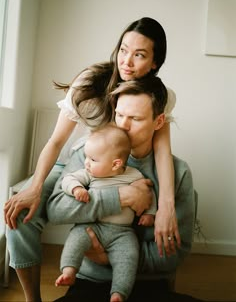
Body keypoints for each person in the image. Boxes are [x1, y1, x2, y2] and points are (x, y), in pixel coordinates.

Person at [4, 17, 179, 302]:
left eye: (140, 54)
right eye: (124, 50)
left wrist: (167, 207)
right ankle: (32, 298)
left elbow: (162, 151)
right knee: (21, 215)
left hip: (132, 168)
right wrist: (35, 187)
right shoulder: (91, 82)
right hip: (81, 164)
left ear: (155, 63)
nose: (127, 61)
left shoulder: (159, 97)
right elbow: (56, 141)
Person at [47, 75, 195, 301]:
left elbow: (173, 254)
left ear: (158, 122)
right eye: (119, 115)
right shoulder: (90, 155)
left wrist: (112, 257)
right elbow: (56, 209)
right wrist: (119, 197)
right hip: (90, 280)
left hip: (149, 284)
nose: (123, 125)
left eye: (135, 118)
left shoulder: (179, 172)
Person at [55, 124, 157, 302]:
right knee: (75, 238)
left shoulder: (135, 175)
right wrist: (76, 188)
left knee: (129, 256)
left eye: (93, 159)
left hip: (123, 232)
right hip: (92, 226)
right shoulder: (90, 174)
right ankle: (69, 270)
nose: (86, 162)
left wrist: (150, 213)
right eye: (86, 157)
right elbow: (68, 179)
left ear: (116, 163)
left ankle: (119, 292)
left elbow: (149, 194)